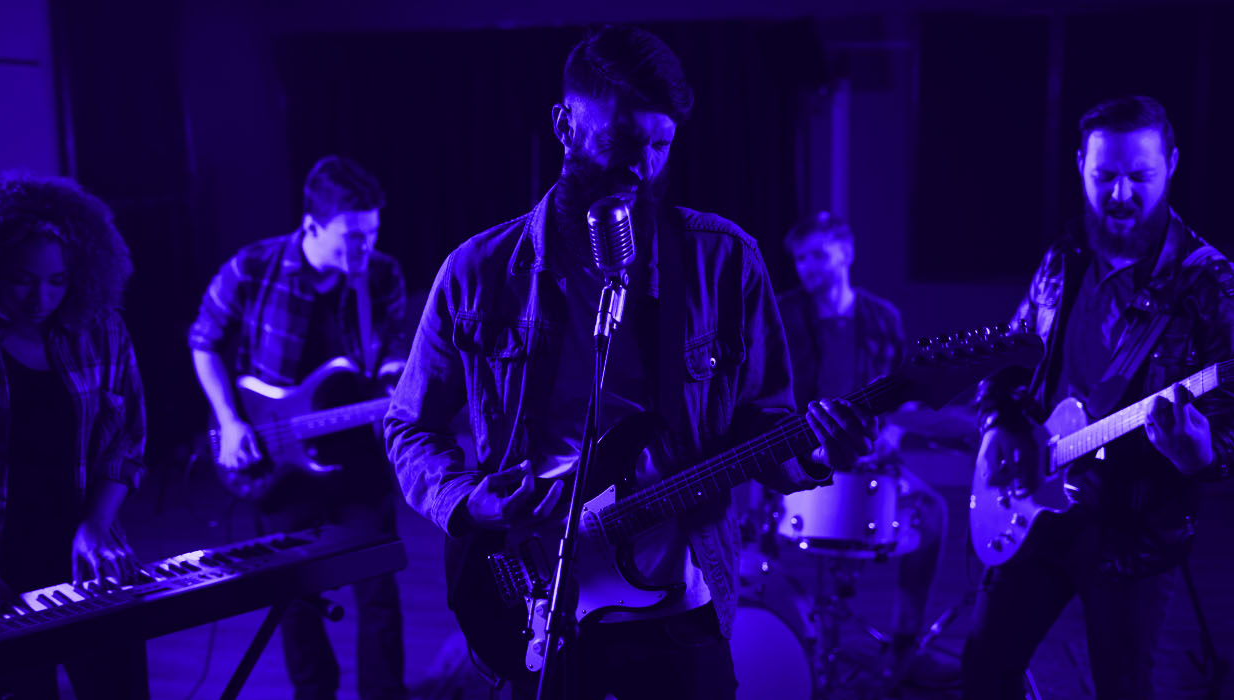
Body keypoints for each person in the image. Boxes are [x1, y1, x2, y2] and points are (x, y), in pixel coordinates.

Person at [385, 25, 875, 700]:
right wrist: (469, 501)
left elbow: (764, 422)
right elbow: (410, 426)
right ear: (564, 125)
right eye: (622, 140)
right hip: (538, 599)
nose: (643, 167)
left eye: (661, 145)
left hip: (680, 599)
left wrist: (815, 450)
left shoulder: (724, 262)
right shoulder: (478, 273)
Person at [964, 95, 1234, 699]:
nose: (1120, 194)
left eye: (1140, 176)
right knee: (983, 668)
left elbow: (1227, 429)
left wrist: (1199, 453)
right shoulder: (1064, 258)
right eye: (1104, 175)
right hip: (1035, 504)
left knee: (1122, 688)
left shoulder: (1210, 284)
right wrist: (997, 424)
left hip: (1130, 533)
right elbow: (1008, 360)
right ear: (1079, 165)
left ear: (1172, 165)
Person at [189, 155, 408, 700]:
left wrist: (393, 382)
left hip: (357, 454)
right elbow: (204, 341)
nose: (365, 248)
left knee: (379, 589)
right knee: (292, 597)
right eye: (352, 237)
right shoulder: (251, 268)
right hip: (277, 456)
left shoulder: (382, 275)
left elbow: (392, 351)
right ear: (312, 226)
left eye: (372, 233)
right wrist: (230, 422)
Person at [0, 172, 150, 698]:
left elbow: (125, 443)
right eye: (22, 280)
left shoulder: (102, 330)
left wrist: (97, 525)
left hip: (90, 559)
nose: (41, 298)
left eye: (57, 280)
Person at [773, 212, 957, 686]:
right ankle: (782, 643)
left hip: (872, 461)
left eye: (818, 255)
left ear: (846, 253)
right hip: (801, 459)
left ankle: (904, 646)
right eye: (800, 259)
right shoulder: (782, 315)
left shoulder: (882, 318)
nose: (807, 268)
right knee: (748, 525)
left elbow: (903, 394)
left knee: (932, 514)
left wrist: (893, 431)